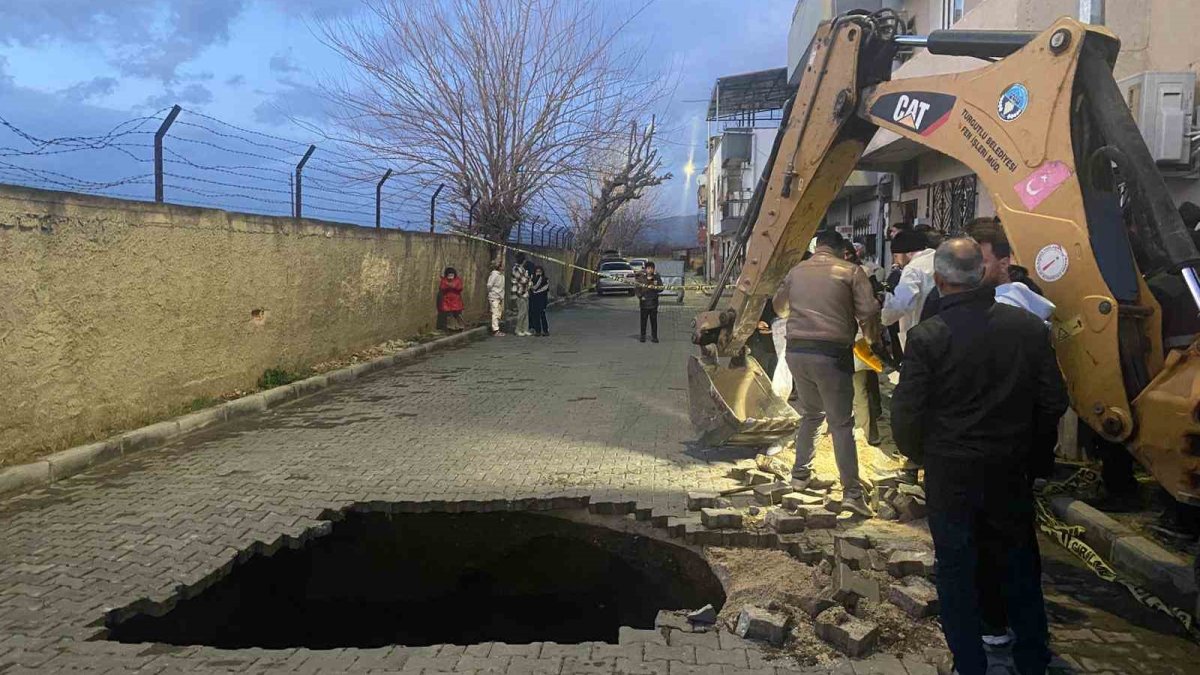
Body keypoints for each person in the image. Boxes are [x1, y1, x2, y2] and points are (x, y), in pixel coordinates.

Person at [891, 239, 1067, 675]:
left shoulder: (928, 336)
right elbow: (1053, 401)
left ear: (939, 280)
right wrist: (1035, 456)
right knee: (1020, 563)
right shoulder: (1027, 328)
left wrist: (923, 454)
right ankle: (1032, 661)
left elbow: (906, 412)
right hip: (1010, 469)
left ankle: (969, 663)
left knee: (956, 568)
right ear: (983, 274)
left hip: (951, 472)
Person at [772, 229, 881, 517]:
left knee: (811, 414)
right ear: (840, 250)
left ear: (817, 247)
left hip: (796, 352)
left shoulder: (797, 271)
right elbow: (868, 311)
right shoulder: (851, 271)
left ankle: (800, 476)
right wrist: (871, 341)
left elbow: (779, 308)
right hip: (831, 354)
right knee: (841, 423)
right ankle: (852, 494)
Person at [843, 242, 883, 447]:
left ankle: (863, 436)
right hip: (857, 340)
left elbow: (870, 309)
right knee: (861, 389)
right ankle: (865, 435)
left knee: (858, 389)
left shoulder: (857, 275)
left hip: (852, 341)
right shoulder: (861, 274)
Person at [882, 230, 937, 349]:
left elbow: (903, 303)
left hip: (920, 333)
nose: (895, 261)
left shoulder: (912, 269)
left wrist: (883, 318)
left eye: (896, 256)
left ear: (907, 253)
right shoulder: (940, 259)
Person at [637, 261, 663, 343]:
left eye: (652, 268)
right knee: (643, 321)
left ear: (654, 269)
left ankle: (654, 337)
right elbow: (637, 289)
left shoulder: (657, 277)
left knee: (654, 321)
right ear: (645, 269)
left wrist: (655, 287)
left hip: (653, 303)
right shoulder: (641, 278)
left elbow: (661, 288)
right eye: (648, 268)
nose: (650, 270)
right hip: (644, 303)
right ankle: (642, 336)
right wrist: (641, 296)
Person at [438, 267, 465, 332]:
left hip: (456, 300)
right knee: (449, 315)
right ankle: (451, 327)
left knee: (458, 314)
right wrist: (447, 285)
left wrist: (452, 285)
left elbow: (460, 288)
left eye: (452, 275)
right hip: (447, 300)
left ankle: (460, 326)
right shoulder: (444, 281)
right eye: (449, 275)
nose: (450, 277)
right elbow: (441, 288)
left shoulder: (457, 280)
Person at [511, 253, 532, 337]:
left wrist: (529, 280)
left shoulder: (522, 269)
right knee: (522, 312)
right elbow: (523, 280)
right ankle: (518, 329)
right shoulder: (516, 269)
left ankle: (525, 329)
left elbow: (527, 279)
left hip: (525, 293)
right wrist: (529, 280)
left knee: (526, 312)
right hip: (519, 293)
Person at [529, 265, 550, 337]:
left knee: (542, 315)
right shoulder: (532, 280)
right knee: (535, 316)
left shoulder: (545, 280)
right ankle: (537, 330)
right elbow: (531, 289)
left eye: (540, 272)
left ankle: (545, 330)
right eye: (537, 271)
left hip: (542, 300)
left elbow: (546, 289)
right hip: (534, 300)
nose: (538, 273)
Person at [487, 260, 506, 336]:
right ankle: (495, 330)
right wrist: (492, 292)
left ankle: (496, 328)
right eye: (502, 266)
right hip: (494, 296)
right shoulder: (494, 274)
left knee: (498, 313)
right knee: (495, 313)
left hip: (499, 296)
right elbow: (489, 285)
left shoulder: (501, 275)